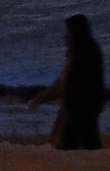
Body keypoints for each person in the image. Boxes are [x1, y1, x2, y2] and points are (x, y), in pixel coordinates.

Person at [29, 14, 105, 150]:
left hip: (76, 110)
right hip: (85, 109)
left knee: (69, 149)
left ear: (75, 32)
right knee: (88, 149)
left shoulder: (80, 54)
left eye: (68, 31)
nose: (64, 35)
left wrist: (40, 98)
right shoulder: (89, 50)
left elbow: (65, 83)